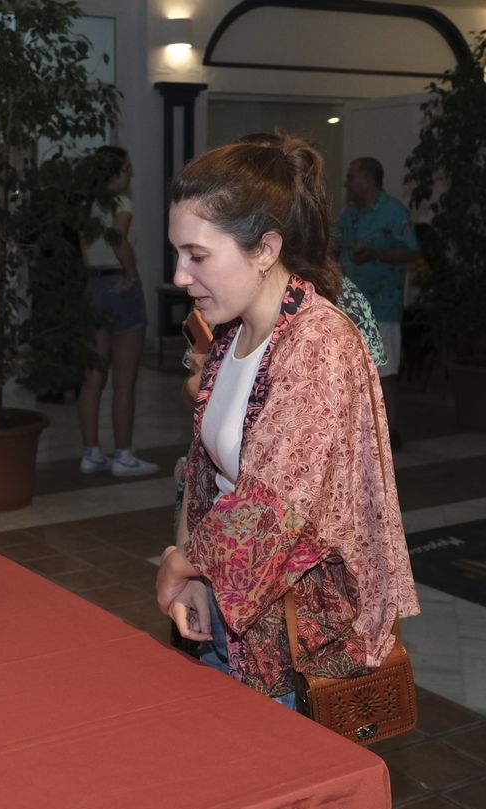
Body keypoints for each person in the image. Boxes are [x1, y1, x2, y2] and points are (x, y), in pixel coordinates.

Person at [154, 135, 419, 706]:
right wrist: (197, 577)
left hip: (296, 643)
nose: (180, 275)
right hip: (230, 610)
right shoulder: (234, 334)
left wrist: (182, 565)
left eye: (198, 256)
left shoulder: (319, 342)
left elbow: (275, 506)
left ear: (266, 249)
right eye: (178, 254)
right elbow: (205, 470)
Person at [76, 146, 159, 478]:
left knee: (92, 379)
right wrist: (132, 275)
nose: (132, 174)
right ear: (113, 174)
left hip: (93, 285)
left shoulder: (85, 206)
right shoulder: (122, 204)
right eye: (126, 169)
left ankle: (91, 452)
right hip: (120, 288)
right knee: (125, 381)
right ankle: (123, 455)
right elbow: (117, 238)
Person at [337, 156, 419, 448]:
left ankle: (390, 432)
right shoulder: (349, 215)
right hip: (348, 308)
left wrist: (377, 254)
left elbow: (411, 251)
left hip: (382, 307)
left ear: (368, 180)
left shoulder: (393, 212)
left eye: (352, 176)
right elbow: (335, 247)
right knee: (350, 372)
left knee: (385, 372)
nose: (347, 181)